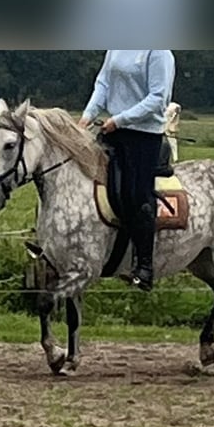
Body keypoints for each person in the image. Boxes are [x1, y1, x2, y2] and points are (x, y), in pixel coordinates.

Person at [78, 50, 176, 292]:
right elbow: (103, 83)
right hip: (115, 130)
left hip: (144, 135)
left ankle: (144, 266)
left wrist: (120, 119)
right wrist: (87, 116)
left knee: (136, 195)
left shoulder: (158, 52)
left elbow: (158, 98)